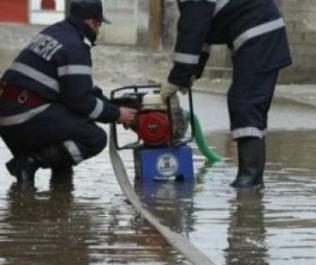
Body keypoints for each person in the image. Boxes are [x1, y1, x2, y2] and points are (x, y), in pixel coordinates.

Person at [0, 0, 137, 184]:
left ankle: (60, 191)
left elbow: (80, 89)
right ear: (93, 23)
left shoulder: (56, 32)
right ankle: (28, 163)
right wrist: (116, 114)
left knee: (71, 123)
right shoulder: (76, 46)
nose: (97, 32)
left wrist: (113, 106)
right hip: (25, 118)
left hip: (11, 118)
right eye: (98, 26)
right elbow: (79, 100)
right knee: (93, 137)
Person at [161, 0, 292, 189]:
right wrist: (192, 73)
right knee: (248, 104)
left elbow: (193, 31)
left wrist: (178, 78)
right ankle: (253, 177)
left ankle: (250, 176)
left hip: (259, 34)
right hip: (260, 33)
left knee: (245, 103)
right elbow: (202, 35)